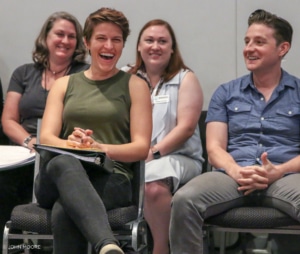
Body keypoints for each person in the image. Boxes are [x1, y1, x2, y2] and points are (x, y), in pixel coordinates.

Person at [170, 9, 300, 254]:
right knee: (184, 200)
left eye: (259, 42)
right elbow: (214, 148)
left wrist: (279, 171)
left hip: (286, 176)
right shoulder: (226, 92)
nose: (249, 48)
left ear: (282, 49)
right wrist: (236, 171)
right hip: (232, 176)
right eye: (247, 41)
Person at [34, 7, 152, 254]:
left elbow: (141, 147)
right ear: (87, 42)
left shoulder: (135, 85)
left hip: (111, 178)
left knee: (65, 211)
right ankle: (106, 244)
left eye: (116, 40)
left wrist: (101, 149)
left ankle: (106, 246)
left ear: (122, 45)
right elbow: (46, 137)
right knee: (62, 163)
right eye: (101, 38)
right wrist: (76, 145)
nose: (109, 46)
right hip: (56, 176)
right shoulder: (64, 84)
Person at [0, 11, 88, 253]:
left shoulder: (84, 74)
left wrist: (50, 143)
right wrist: (30, 141)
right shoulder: (23, 73)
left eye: (72, 36)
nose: (65, 41)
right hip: (24, 153)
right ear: (46, 38)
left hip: (62, 152)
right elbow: (8, 120)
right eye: (59, 34)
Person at [126, 19, 204, 254]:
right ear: (139, 46)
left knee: (153, 187)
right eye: (149, 40)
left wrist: (153, 152)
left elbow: (187, 128)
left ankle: (161, 248)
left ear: (172, 49)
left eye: (162, 41)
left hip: (180, 157)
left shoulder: (185, 78)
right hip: (136, 158)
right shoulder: (126, 77)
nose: (155, 46)